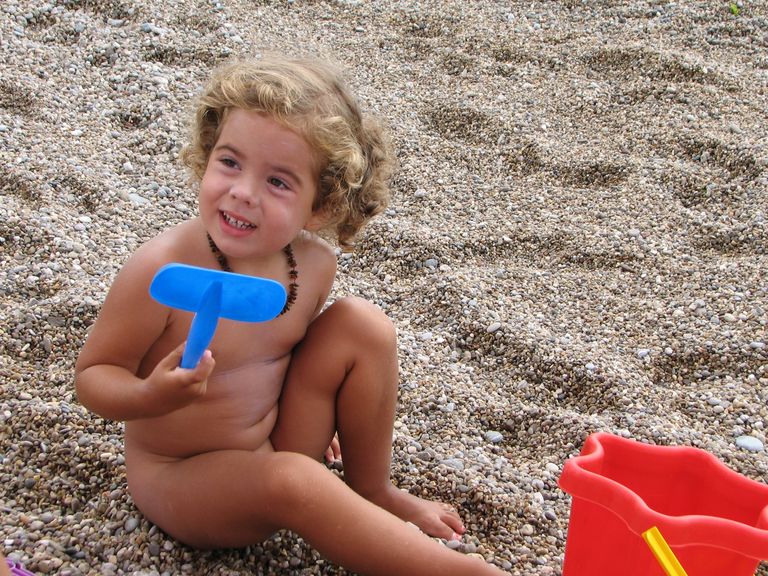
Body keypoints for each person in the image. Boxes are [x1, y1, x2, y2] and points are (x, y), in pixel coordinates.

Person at [75, 55, 506, 576]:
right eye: (229, 162)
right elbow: (94, 376)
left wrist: (321, 414)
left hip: (274, 440)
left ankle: (372, 489)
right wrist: (150, 395)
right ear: (206, 155)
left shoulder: (313, 265)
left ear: (319, 207)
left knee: (362, 324)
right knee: (294, 480)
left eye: (278, 182)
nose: (243, 192)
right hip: (184, 479)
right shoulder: (161, 269)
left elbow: (282, 355)